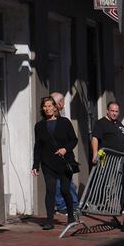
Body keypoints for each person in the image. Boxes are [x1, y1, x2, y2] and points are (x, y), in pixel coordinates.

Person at [32, 94, 78, 231]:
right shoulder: (39, 126)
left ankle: (71, 216)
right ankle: (49, 221)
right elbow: (38, 147)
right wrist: (35, 165)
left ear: (55, 107)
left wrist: (65, 149)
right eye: (44, 106)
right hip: (48, 163)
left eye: (50, 106)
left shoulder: (64, 122)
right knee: (50, 191)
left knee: (65, 190)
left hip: (64, 162)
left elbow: (73, 140)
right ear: (42, 109)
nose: (47, 109)